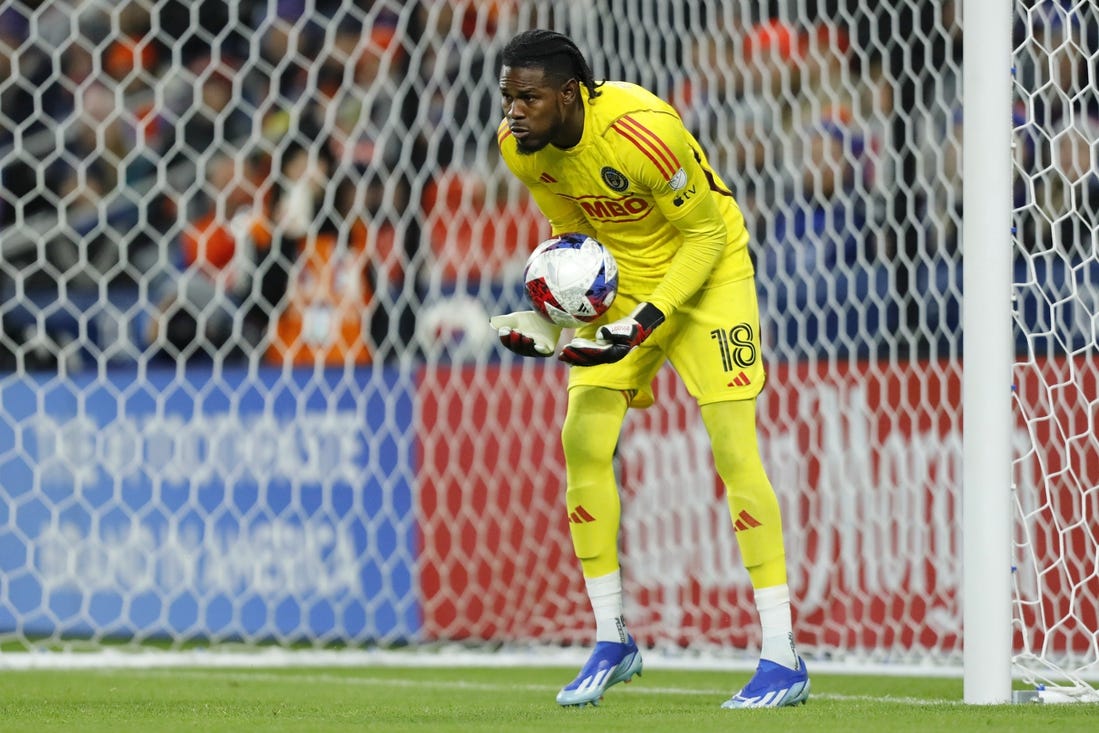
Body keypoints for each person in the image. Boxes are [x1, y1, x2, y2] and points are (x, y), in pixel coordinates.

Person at [489, 29, 809, 709]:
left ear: (569, 94)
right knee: (582, 434)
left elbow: (706, 233)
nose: (513, 112)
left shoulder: (641, 131)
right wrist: (552, 317)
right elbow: (572, 236)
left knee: (732, 447)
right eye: (507, 97)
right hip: (625, 279)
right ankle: (612, 636)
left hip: (710, 272)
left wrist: (646, 321)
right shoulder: (520, 150)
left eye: (528, 98)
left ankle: (781, 653)